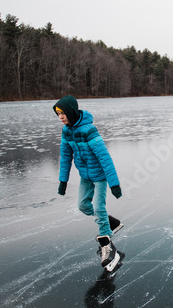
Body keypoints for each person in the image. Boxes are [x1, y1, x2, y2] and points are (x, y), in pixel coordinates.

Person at [54, 95, 123, 271]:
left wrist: (114, 184)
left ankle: (107, 246)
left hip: (100, 176)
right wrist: (63, 181)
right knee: (83, 206)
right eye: (58, 114)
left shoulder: (88, 130)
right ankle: (109, 223)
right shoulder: (66, 132)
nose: (60, 117)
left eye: (63, 113)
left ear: (70, 111)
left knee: (99, 208)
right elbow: (65, 157)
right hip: (85, 176)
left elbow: (104, 157)